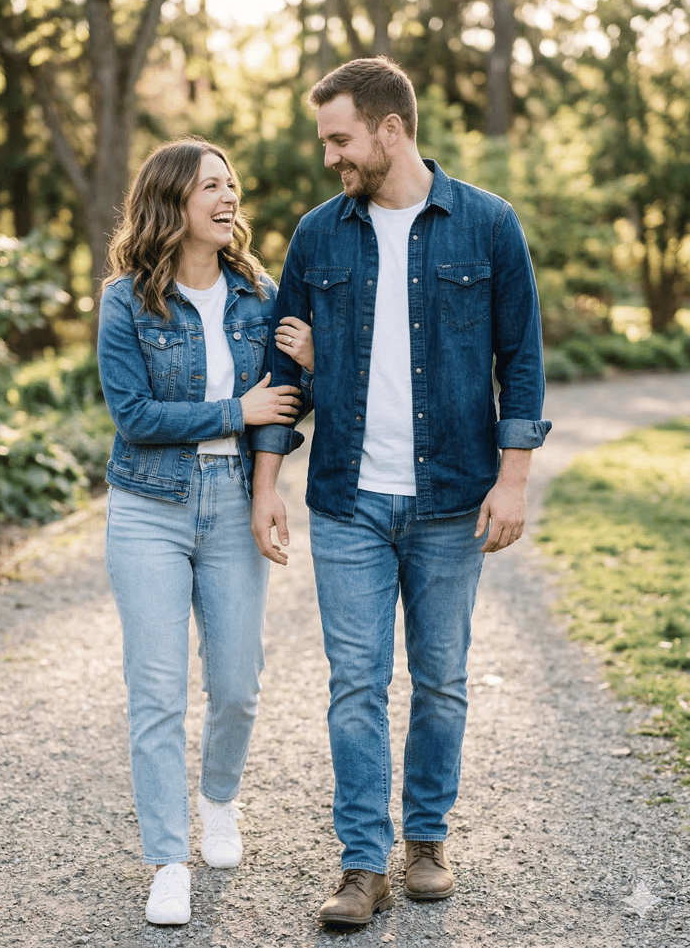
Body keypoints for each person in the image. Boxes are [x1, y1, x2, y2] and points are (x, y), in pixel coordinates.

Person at [250, 57, 552, 926]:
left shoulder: (488, 225)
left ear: (391, 129)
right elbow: (282, 370)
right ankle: (360, 863)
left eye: (340, 139)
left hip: (453, 498)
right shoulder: (317, 235)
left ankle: (425, 840)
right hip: (348, 499)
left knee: (443, 679)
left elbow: (521, 361)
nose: (330, 158)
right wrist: (269, 482)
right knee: (354, 685)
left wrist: (514, 478)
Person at [97, 139, 313, 926]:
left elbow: (287, 399)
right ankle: (167, 857)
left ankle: (218, 798)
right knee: (155, 691)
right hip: (147, 507)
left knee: (238, 683)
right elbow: (135, 417)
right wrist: (235, 413)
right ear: (173, 203)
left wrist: (268, 482)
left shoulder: (261, 291)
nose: (229, 197)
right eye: (211, 185)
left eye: (232, 184)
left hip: (231, 501)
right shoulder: (126, 300)